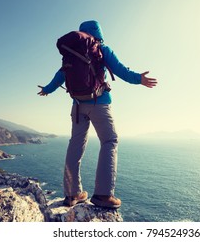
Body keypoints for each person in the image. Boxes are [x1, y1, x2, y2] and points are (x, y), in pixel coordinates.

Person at [38, 20, 157, 208]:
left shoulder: (71, 53)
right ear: (99, 33)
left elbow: (60, 75)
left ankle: (72, 194)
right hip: (99, 103)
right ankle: (103, 195)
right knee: (110, 141)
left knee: (75, 145)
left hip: (77, 105)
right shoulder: (101, 49)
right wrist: (139, 79)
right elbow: (120, 70)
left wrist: (47, 89)